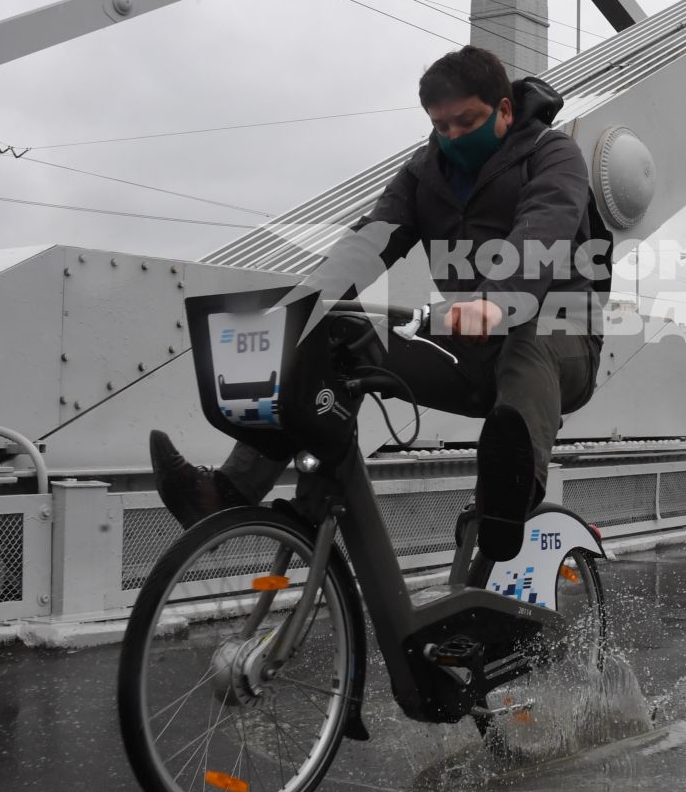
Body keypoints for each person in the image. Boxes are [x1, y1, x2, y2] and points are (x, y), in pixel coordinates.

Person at [149, 45, 607, 561]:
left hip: (561, 343)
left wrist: (497, 302)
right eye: (441, 125)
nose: (453, 136)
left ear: (504, 110)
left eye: (467, 121)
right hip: (471, 346)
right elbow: (372, 238)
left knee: (530, 337)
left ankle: (505, 503)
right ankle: (227, 493)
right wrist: (303, 306)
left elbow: (541, 230)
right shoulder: (424, 172)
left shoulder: (553, 154)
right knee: (333, 341)